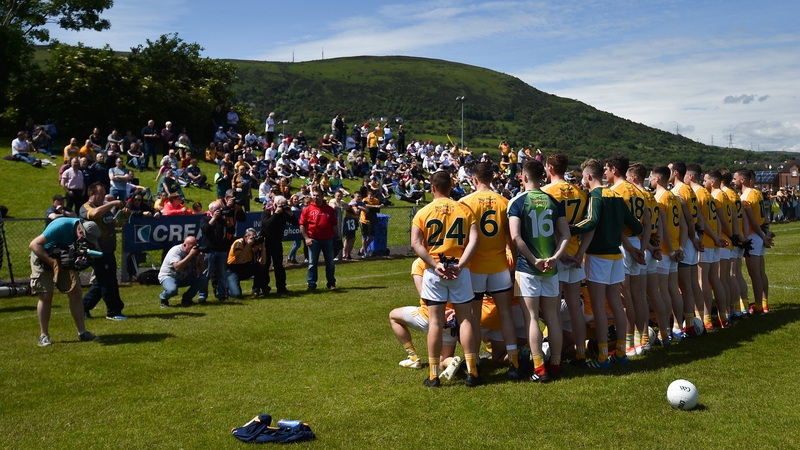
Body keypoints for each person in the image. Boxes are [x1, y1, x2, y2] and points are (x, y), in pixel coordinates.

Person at [410, 170, 481, 388]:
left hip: (435, 272)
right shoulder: (464, 209)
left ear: (432, 188)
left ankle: (433, 375)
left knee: (435, 322)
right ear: (451, 186)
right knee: (466, 319)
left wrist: (433, 264)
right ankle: (472, 371)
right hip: (459, 269)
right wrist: (460, 265)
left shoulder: (423, 212)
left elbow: (416, 243)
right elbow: (475, 239)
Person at [570, 158, 642, 368]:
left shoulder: (596, 195)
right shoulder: (617, 196)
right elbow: (636, 226)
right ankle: (620, 352)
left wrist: (567, 227)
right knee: (617, 304)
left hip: (598, 256)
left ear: (589, 176)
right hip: (616, 256)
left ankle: (602, 357)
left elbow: (591, 222)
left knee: (600, 307)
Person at [508, 159, 570, 382]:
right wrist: (555, 257)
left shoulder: (517, 201)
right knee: (552, 317)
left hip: (528, 268)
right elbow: (565, 235)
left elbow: (516, 237)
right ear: (542, 176)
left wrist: (534, 259)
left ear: (523, 177)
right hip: (551, 269)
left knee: (532, 318)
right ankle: (555, 363)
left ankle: (538, 367)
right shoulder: (553, 201)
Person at [458, 162, 518, 378]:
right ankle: (514, 362)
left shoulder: (465, 202)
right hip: (499, 265)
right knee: (505, 313)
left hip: (474, 268)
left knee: (473, 316)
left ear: (474, 179)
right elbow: (511, 239)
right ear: (492, 178)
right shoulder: (505, 202)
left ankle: (473, 366)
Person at [542, 152, 592, 367]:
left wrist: (558, 254)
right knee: (574, 307)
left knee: (551, 310)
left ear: (550, 168)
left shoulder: (545, 192)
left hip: (556, 257)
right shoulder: (580, 193)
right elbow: (590, 226)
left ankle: (555, 356)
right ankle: (580, 353)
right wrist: (580, 253)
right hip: (575, 256)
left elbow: (550, 228)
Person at [29, 217, 102, 346]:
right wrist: (53, 263)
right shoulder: (61, 226)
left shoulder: (89, 230)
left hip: (64, 259)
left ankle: (82, 333)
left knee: (76, 293)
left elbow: (98, 251)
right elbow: (34, 244)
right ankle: (44, 335)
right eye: (86, 239)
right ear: (80, 232)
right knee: (46, 295)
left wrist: (85, 256)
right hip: (43, 257)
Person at [605, 154, 651, 356]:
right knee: (639, 296)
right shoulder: (640, 191)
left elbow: (617, 227)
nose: (605, 173)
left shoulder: (614, 191)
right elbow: (648, 223)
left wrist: (632, 250)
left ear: (614, 170)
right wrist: (643, 246)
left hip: (624, 246)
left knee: (625, 298)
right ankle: (643, 340)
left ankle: (630, 343)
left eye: (606, 169)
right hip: (639, 243)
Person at [80, 183, 127, 320]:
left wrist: (124, 216)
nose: (103, 197)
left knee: (102, 282)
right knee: (108, 282)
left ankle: (83, 307)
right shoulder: (86, 207)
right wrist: (112, 203)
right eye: (101, 194)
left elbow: (115, 224)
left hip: (109, 249)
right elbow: (93, 214)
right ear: (91, 194)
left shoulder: (104, 209)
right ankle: (113, 311)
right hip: (97, 251)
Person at [650, 165, 686, 347]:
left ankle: (667, 331)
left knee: (663, 291)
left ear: (657, 179)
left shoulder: (660, 198)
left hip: (665, 251)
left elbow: (662, 228)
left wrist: (671, 250)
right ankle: (678, 327)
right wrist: (680, 248)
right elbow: (683, 225)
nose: (649, 179)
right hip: (674, 248)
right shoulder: (674, 196)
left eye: (650, 176)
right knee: (673, 289)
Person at [200, 193, 246, 302]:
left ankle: (221, 295)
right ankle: (202, 295)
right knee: (206, 275)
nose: (219, 211)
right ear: (211, 211)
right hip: (209, 251)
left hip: (221, 250)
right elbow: (206, 229)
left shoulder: (223, 220)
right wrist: (214, 218)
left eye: (220, 209)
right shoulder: (205, 219)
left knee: (222, 274)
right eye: (216, 210)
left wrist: (227, 221)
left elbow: (232, 230)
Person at [299, 187, 340, 291]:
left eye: (317, 195)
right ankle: (311, 284)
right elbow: (302, 225)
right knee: (312, 263)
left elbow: (334, 225)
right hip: (313, 240)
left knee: (330, 263)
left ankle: (331, 284)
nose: (315, 197)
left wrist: (338, 237)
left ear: (322, 196)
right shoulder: (307, 209)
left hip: (328, 240)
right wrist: (306, 238)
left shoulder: (329, 210)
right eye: (314, 195)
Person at [259, 195, 299, 294]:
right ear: (275, 204)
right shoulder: (266, 212)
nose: (283, 207)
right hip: (266, 242)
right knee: (265, 265)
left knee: (279, 266)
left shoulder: (284, 214)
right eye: (281, 205)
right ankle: (265, 288)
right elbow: (267, 224)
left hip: (277, 242)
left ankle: (281, 287)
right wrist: (276, 214)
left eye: (284, 204)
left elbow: (296, 222)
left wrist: (291, 214)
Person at [158, 236, 206, 307]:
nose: (193, 249)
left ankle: (187, 299)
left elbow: (201, 270)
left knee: (203, 278)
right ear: (184, 245)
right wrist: (190, 255)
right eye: (192, 247)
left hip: (184, 277)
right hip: (168, 276)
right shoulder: (175, 250)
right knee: (172, 290)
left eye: (195, 246)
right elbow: (178, 268)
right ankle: (163, 298)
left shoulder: (195, 253)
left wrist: (201, 259)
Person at [226, 228, 263, 298]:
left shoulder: (255, 244)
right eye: (252, 237)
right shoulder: (238, 243)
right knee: (237, 295)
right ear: (246, 237)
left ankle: (256, 291)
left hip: (245, 268)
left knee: (260, 267)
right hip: (232, 270)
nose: (254, 240)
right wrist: (248, 245)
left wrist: (263, 247)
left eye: (255, 237)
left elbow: (263, 262)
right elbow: (239, 260)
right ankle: (227, 288)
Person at [358, 188, 381, 258]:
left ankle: (362, 249)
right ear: (367, 195)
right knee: (364, 237)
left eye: (372, 196)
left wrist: (380, 205)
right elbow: (365, 205)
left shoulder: (376, 200)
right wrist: (374, 206)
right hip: (364, 220)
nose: (371, 197)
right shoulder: (365, 200)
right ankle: (365, 252)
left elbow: (378, 208)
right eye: (370, 196)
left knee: (372, 237)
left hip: (372, 220)